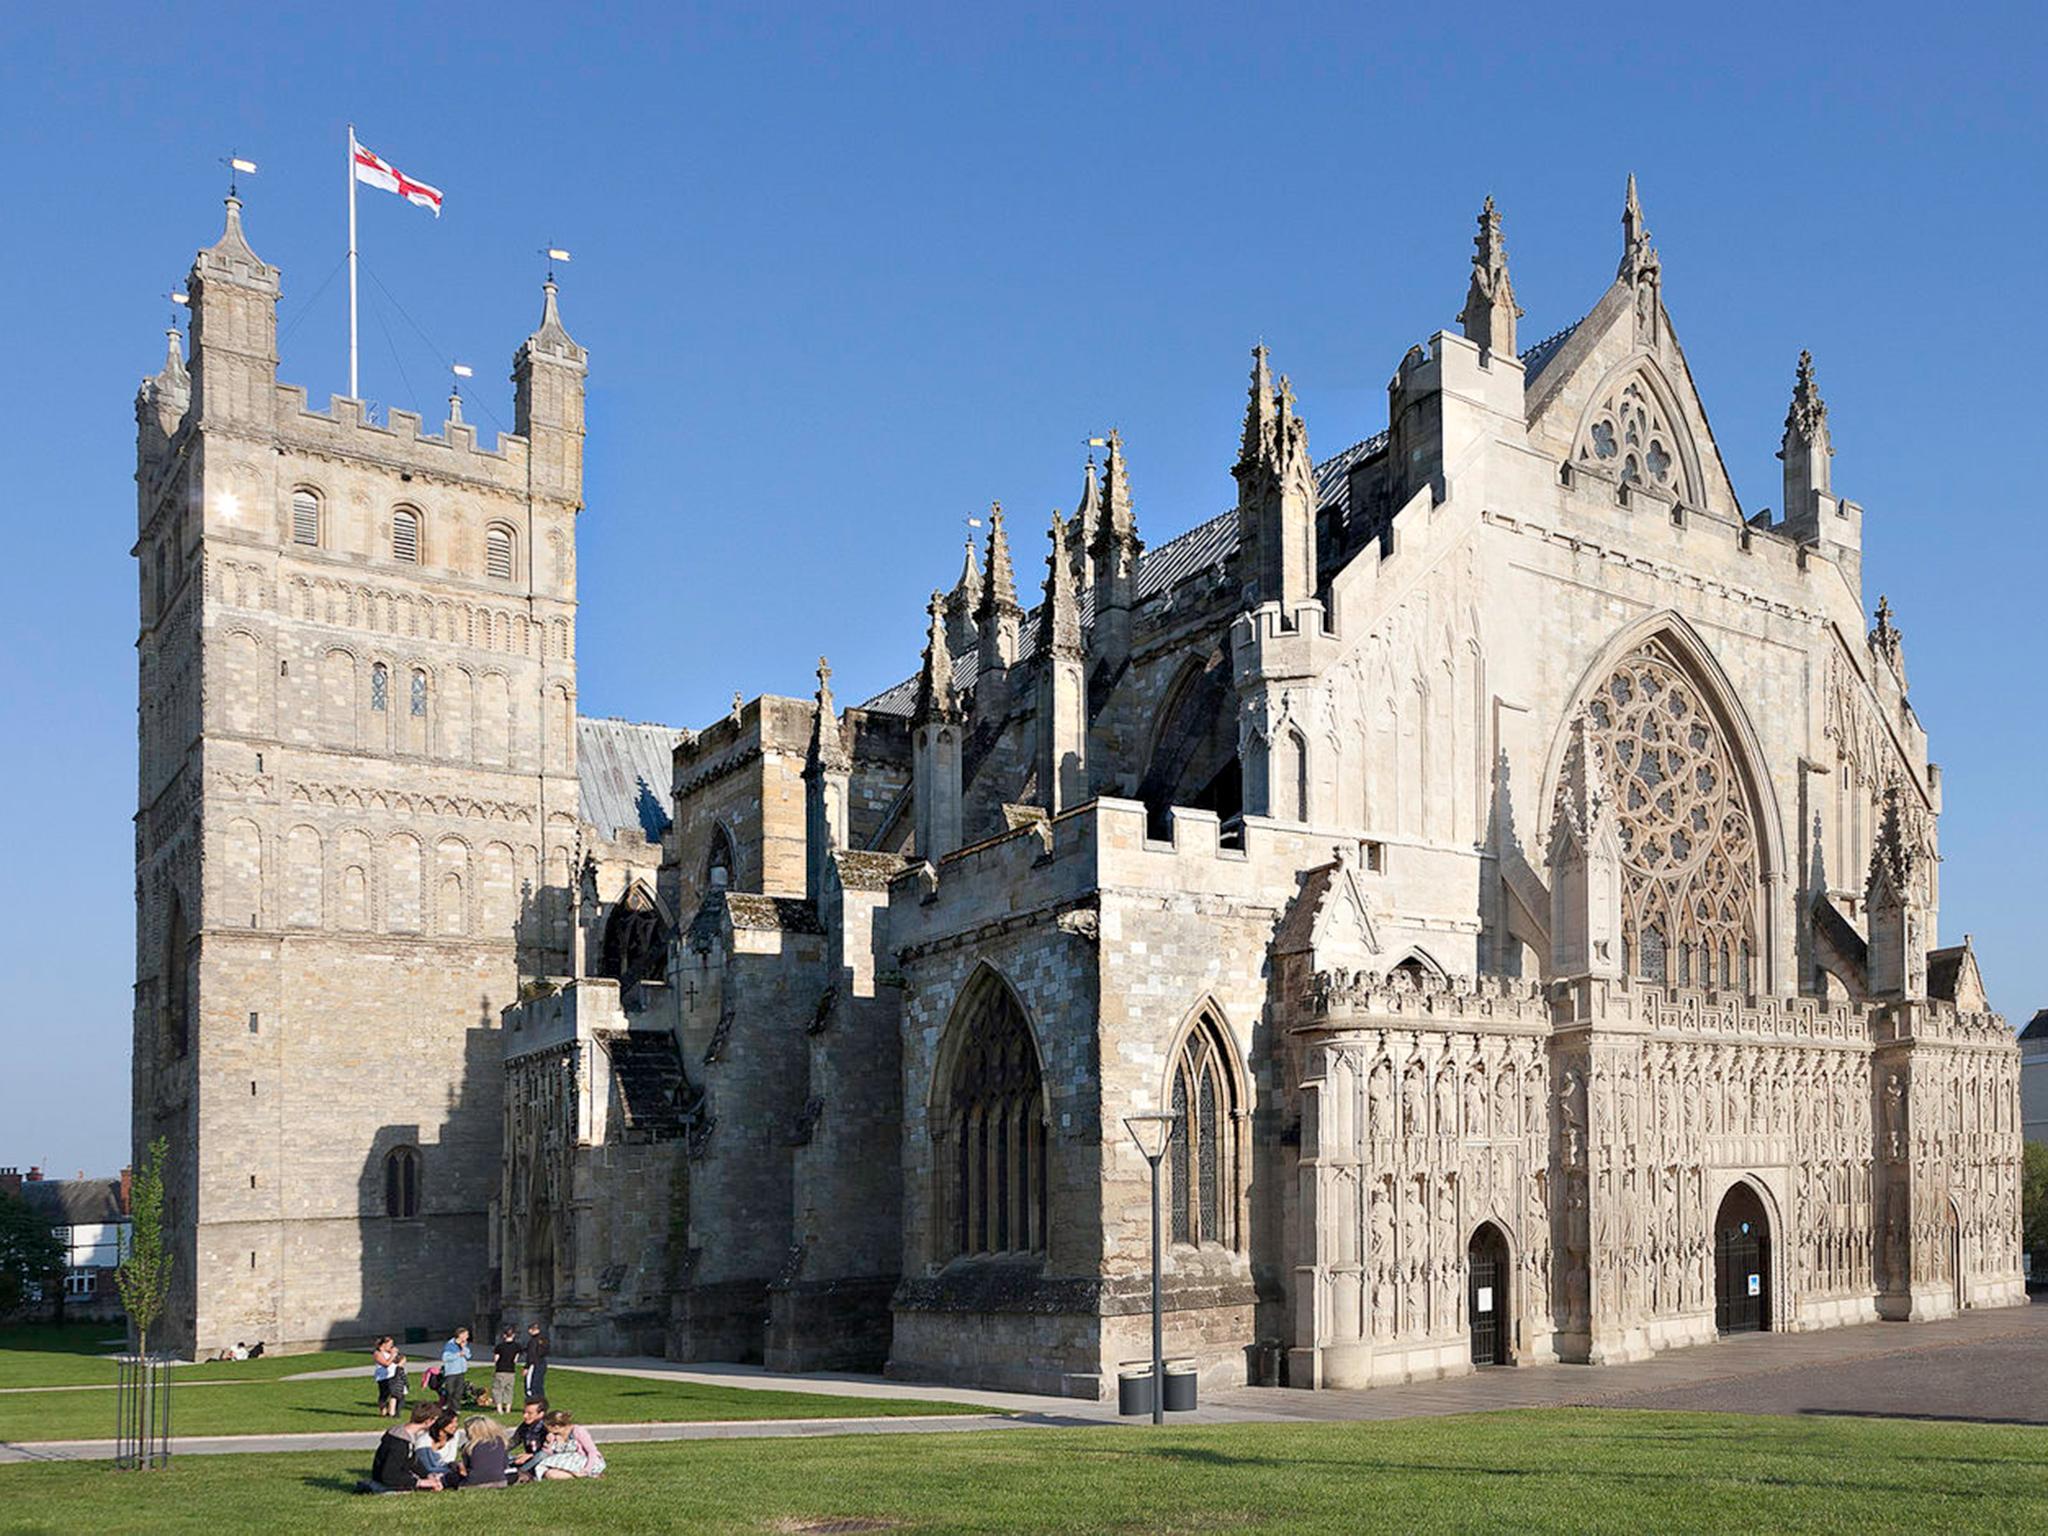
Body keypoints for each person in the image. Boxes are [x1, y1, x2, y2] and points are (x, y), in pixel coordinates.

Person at [528, 1409, 605, 1480]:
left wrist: (587, 1469)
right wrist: (548, 1443)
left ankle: (585, 1474)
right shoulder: (554, 1436)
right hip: (566, 1463)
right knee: (549, 1474)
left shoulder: (577, 1431)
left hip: (584, 1461)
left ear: (556, 1427)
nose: (546, 1430)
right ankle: (580, 1475)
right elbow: (548, 1453)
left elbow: (592, 1451)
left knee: (550, 1471)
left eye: (547, 1427)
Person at [367, 1410, 422, 1492]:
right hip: (386, 1485)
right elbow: (389, 1476)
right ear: (429, 1421)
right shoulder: (399, 1442)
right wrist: (419, 1482)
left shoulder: (408, 1436)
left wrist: (428, 1475)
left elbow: (412, 1463)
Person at [412, 1407, 461, 1489]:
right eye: (451, 1423)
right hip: (428, 1474)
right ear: (442, 1423)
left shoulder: (455, 1436)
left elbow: (450, 1460)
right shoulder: (424, 1441)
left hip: (444, 1471)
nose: (455, 1425)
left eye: (456, 1422)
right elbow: (427, 1467)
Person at [459, 1415, 511, 1489]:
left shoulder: (469, 1446)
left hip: (473, 1483)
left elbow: (467, 1468)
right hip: (500, 1482)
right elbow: (505, 1464)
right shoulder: (500, 1442)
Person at [509, 1396, 549, 1479]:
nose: (525, 1416)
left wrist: (531, 1455)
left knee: (542, 1455)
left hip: (544, 1459)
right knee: (507, 1457)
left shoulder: (548, 1426)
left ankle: (519, 1473)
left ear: (541, 1414)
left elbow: (553, 1450)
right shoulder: (525, 1426)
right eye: (524, 1412)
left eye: (529, 1413)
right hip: (528, 1459)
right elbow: (513, 1442)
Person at [489, 1326, 523, 1411]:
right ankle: (508, 1409)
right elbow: (516, 1359)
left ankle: (499, 1409)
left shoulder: (499, 1346)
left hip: (501, 1370)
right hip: (511, 1370)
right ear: (513, 1335)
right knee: (509, 1389)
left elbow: (496, 1359)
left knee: (498, 1389)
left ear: (504, 1335)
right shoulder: (517, 1346)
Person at [438, 1326, 472, 1407]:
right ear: (460, 1335)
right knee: (450, 1390)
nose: (467, 1336)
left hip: (461, 1371)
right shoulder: (450, 1345)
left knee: (459, 1391)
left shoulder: (464, 1344)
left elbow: (468, 1356)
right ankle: (448, 1404)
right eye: (466, 1334)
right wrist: (458, 1354)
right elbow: (445, 1358)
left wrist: (464, 1347)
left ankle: (456, 1407)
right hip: (452, 1371)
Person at [372, 1336, 400, 1417]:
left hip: (392, 1375)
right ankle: (383, 1411)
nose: (391, 1346)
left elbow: (397, 1361)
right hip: (383, 1377)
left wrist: (396, 1355)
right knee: (384, 1394)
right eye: (390, 1344)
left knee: (394, 1393)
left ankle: (392, 1412)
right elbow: (386, 1364)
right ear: (384, 1344)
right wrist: (392, 1355)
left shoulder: (389, 1352)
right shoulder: (378, 1353)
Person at [524, 1322, 550, 1399]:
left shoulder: (533, 1341)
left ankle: (533, 1400)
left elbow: (532, 1354)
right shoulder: (545, 1339)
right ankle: (541, 1401)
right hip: (542, 1363)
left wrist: (527, 1367)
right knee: (539, 1384)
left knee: (531, 1385)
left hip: (534, 1364)